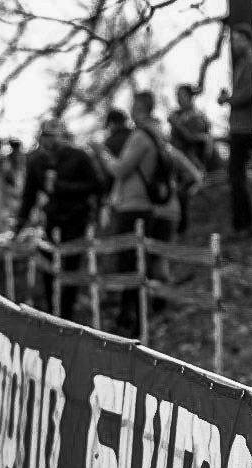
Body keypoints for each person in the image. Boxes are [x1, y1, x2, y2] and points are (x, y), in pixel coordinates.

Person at [13, 118, 108, 319]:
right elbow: (28, 197)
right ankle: (51, 310)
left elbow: (98, 185)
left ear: (62, 135)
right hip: (51, 218)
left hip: (76, 217)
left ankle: (66, 313)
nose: (48, 141)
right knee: (47, 265)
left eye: (53, 136)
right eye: (44, 136)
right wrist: (19, 226)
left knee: (70, 266)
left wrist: (65, 187)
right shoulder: (37, 161)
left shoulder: (80, 155)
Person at [93, 90, 163, 335]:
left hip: (133, 207)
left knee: (130, 264)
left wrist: (102, 154)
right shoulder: (157, 134)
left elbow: (120, 170)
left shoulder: (141, 137)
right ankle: (133, 314)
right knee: (138, 262)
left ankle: (130, 319)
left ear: (140, 108)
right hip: (144, 206)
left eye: (133, 106)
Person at [219, 23, 252, 238]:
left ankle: (246, 224)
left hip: (246, 128)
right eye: (234, 40)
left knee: (237, 176)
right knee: (235, 176)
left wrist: (228, 99)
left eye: (239, 40)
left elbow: (250, 94)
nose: (236, 44)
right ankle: (242, 223)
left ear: (248, 41)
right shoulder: (241, 66)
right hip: (238, 127)